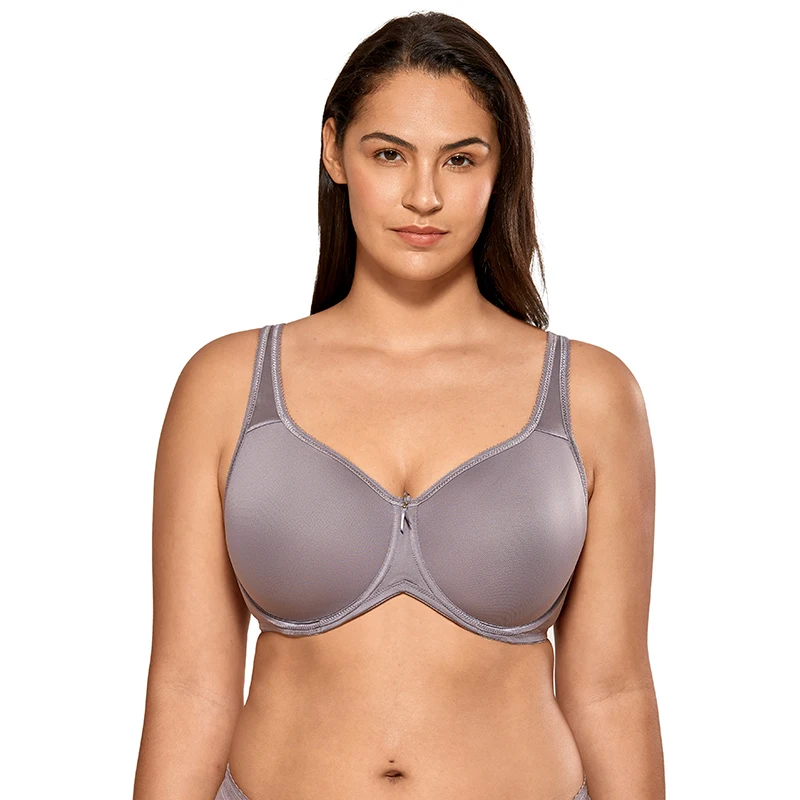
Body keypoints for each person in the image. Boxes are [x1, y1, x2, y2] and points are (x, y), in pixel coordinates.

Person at [133, 11, 663, 800]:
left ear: (501, 169)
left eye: (460, 159)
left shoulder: (591, 394)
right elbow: (189, 690)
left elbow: (611, 689)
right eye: (389, 154)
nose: (424, 196)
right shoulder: (225, 387)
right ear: (334, 151)